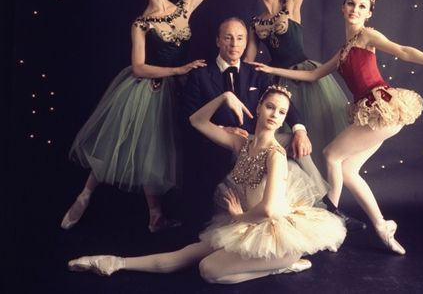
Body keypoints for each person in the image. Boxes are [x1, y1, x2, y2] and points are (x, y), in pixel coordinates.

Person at [249, 0, 423, 254]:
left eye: (362, 6)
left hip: (383, 107)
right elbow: (311, 74)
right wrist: (271, 70)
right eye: (351, 4)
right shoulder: (343, 51)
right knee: (347, 170)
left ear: (368, 13)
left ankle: (330, 213)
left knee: (331, 154)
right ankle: (383, 227)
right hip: (369, 113)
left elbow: (403, 51)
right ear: (343, 9)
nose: (355, 9)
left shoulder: (368, 36)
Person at [61, 0, 259, 233]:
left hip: (181, 86)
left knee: (156, 149)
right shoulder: (141, 23)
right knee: (127, 141)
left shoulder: (183, 8)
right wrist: (178, 70)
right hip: (150, 87)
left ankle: (155, 216)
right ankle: (85, 194)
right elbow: (139, 66)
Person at [67, 86, 347, 283]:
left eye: (282, 112)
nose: (275, 115)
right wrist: (225, 97)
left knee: (209, 271)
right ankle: (115, 262)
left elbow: (270, 211)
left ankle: (280, 266)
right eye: (271, 107)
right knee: (186, 254)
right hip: (247, 224)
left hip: (275, 235)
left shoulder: (276, 155)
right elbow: (196, 121)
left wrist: (238, 217)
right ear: (258, 107)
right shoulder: (242, 142)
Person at [183, 17, 328, 225]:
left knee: (295, 143)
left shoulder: (256, 73)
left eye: (240, 38)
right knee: (283, 164)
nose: (234, 44)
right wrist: (225, 128)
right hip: (227, 144)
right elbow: (189, 118)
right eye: (228, 38)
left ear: (245, 42)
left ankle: (324, 205)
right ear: (217, 41)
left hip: (261, 139)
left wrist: (300, 130)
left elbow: (280, 100)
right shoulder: (201, 75)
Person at [243, 0, 349, 185]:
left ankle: (328, 199)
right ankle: (302, 194)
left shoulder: (291, 4)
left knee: (319, 135)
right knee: (289, 140)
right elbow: (248, 60)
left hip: (306, 74)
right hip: (280, 82)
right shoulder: (255, 23)